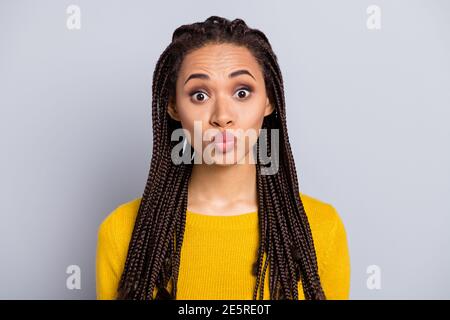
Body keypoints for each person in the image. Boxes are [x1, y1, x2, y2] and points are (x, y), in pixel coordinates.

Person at [96, 16, 350, 300]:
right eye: (199, 95)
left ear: (268, 101)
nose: (222, 117)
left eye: (242, 92)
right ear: (173, 107)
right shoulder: (122, 231)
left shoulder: (322, 228)